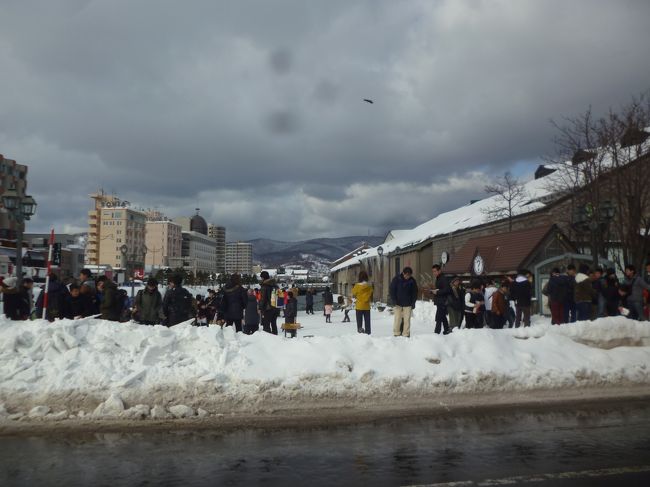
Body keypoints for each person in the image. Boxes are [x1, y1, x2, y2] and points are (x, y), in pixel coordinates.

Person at [389, 266, 418, 337]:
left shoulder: (412, 281)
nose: (407, 277)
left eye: (409, 275)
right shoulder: (397, 279)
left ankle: (406, 334)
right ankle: (396, 333)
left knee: (407, 320)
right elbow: (392, 290)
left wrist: (413, 302)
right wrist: (393, 300)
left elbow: (415, 292)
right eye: (406, 275)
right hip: (398, 303)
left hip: (408, 304)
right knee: (397, 319)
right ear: (403, 273)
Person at [431, 264, 452, 334]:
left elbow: (447, 290)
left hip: (443, 301)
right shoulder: (439, 278)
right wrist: (434, 291)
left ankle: (437, 332)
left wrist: (437, 292)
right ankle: (447, 330)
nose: (434, 273)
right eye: (433, 271)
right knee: (442, 316)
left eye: (435, 271)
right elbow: (441, 289)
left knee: (439, 317)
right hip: (440, 300)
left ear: (439, 270)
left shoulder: (443, 278)